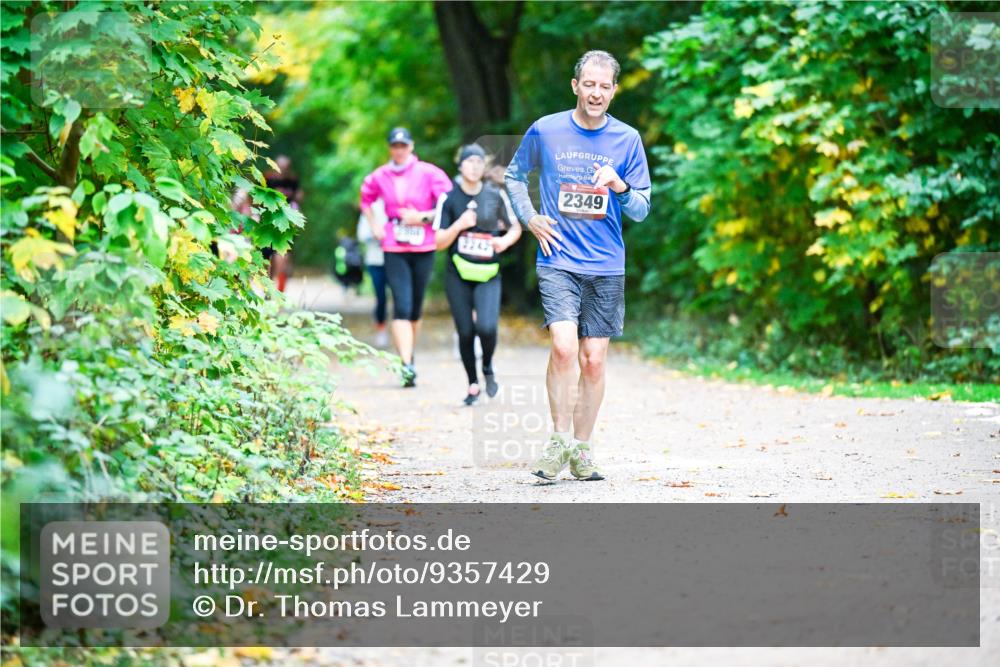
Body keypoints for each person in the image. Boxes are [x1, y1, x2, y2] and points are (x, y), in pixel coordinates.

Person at [504, 50, 651, 481]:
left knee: (593, 361)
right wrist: (529, 217)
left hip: (606, 263)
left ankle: (582, 451)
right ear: (575, 86)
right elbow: (514, 176)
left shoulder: (627, 140)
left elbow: (641, 208)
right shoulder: (546, 130)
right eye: (589, 84)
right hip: (558, 257)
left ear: (614, 91)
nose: (596, 93)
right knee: (565, 347)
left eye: (605, 86)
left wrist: (620, 185)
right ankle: (559, 440)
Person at [360, 128, 453, 387]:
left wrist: (423, 217)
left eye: (404, 145)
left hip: (423, 245)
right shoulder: (380, 175)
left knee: (415, 307)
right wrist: (375, 226)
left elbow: (450, 202)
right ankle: (406, 363)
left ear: (412, 146)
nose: (399, 150)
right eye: (395, 145)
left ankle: (409, 354)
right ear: (390, 148)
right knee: (401, 304)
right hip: (394, 246)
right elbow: (365, 199)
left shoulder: (429, 172)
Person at [436, 143, 522, 406]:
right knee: (465, 331)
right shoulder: (449, 198)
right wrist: (460, 225)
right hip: (458, 274)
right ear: (460, 166)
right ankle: (473, 384)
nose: (474, 166)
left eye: (478, 161)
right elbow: (439, 242)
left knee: (486, 327)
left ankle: (487, 367)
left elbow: (515, 228)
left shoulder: (495, 196)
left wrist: (504, 242)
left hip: (488, 273)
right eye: (468, 161)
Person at [263, 155, 302, 292]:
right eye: (281, 167)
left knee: (283, 254)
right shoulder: (267, 178)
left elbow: (299, 196)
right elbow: (258, 197)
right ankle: (268, 287)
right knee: (267, 257)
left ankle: (279, 290)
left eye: (286, 167)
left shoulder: (292, 180)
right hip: (269, 221)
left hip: (286, 220)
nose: (283, 170)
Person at [357, 199, 390, 348]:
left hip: (395, 260)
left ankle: (399, 329)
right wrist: (376, 234)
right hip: (375, 261)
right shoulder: (371, 208)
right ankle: (381, 328)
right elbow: (361, 235)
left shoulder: (400, 205)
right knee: (381, 297)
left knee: (400, 297)